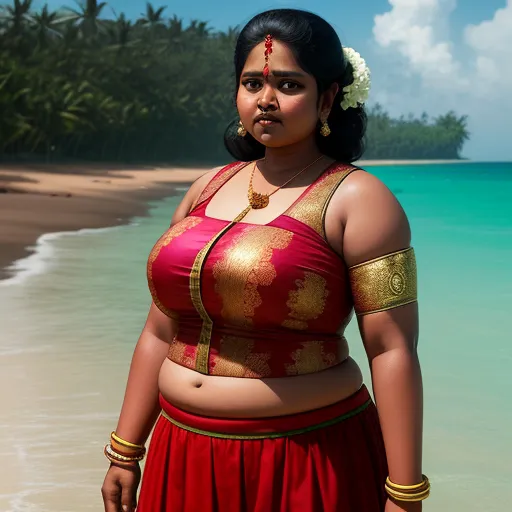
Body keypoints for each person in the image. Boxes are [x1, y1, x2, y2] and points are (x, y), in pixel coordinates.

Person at [101, 8, 428, 512]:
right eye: (252, 82)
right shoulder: (206, 187)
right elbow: (159, 329)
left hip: (305, 459)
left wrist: (404, 494)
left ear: (327, 98)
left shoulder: (360, 200)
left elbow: (391, 349)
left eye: (288, 85)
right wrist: (125, 450)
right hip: (180, 452)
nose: (266, 100)